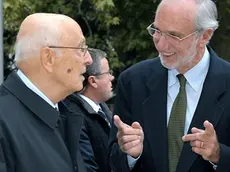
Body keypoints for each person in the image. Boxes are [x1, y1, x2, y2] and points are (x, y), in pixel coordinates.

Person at [108, 0, 230, 172]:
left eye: (174, 35)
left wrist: (218, 154)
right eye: (157, 31)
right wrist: (130, 155)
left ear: (205, 36)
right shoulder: (132, 81)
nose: (161, 45)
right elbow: (112, 161)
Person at [0, 13, 92, 172]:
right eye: (81, 48)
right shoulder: (4, 122)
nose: (88, 59)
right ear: (48, 58)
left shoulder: (63, 113)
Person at [64, 48, 114, 172]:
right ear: (93, 81)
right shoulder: (75, 117)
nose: (112, 78)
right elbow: (87, 167)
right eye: (108, 73)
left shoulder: (101, 109)